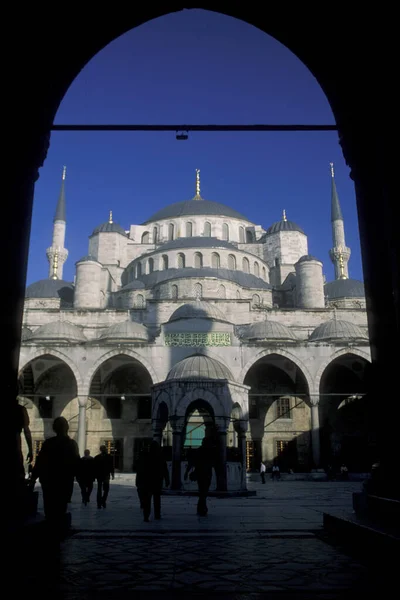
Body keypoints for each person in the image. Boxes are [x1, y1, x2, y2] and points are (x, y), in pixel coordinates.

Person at [30, 416, 80, 531]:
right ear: (67, 428)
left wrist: (33, 478)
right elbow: (76, 464)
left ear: (54, 428)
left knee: (50, 509)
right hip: (64, 481)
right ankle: (57, 536)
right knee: (61, 508)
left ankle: (50, 535)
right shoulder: (71, 444)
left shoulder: (48, 443)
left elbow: (40, 461)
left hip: (49, 482)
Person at [136, 440, 170, 522]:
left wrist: (138, 481)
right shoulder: (160, 457)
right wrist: (167, 479)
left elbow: (139, 470)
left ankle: (146, 516)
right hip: (156, 481)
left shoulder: (145, 456)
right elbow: (165, 469)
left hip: (148, 481)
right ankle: (157, 514)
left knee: (147, 499)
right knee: (156, 499)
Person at [184, 437, 216, 516]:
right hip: (205, 474)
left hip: (201, 474)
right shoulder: (209, 452)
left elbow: (192, 462)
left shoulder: (200, 451)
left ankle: (202, 508)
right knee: (203, 492)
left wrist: (186, 472)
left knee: (202, 492)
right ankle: (202, 508)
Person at [15, 398, 33, 481]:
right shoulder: (21, 410)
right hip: (16, 448)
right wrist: (30, 450)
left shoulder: (21, 410)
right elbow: (27, 431)